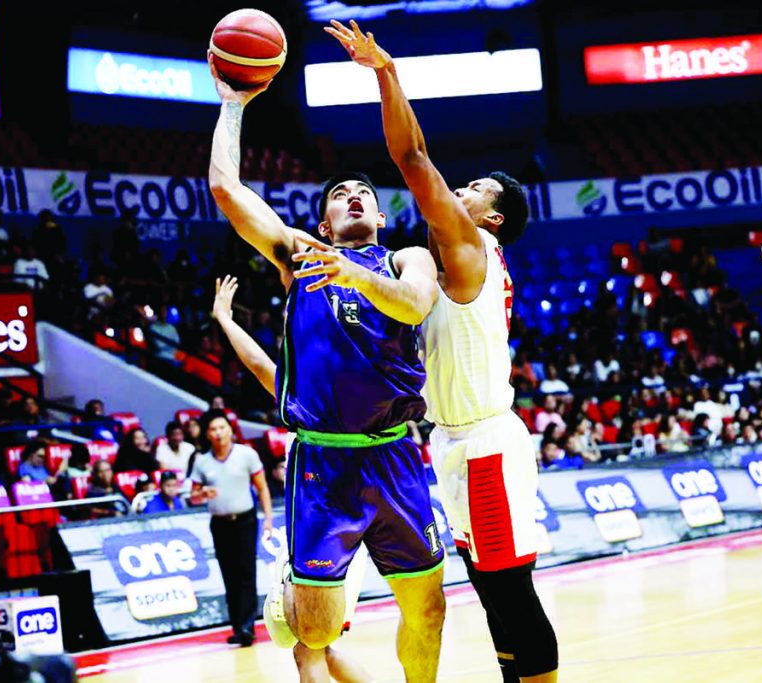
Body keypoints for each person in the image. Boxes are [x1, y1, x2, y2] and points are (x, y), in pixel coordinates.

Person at [326, 19, 558, 682]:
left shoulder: (472, 245)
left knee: (511, 589)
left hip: (485, 442)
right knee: (489, 593)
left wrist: (386, 72)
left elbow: (413, 160)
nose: (465, 188)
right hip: (450, 443)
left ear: (493, 217)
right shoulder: (445, 258)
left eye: (480, 187)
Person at [209, 58, 444, 682]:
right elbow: (227, 192)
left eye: (363, 192)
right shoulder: (303, 257)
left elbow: (417, 302)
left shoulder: (406, 257)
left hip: (395, 456)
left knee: (428, 608)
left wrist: (353, 273)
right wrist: (233, 103)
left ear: (382, 214)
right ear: (323, 224)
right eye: (339, 195)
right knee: (311, 631)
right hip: (321, 463)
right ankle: (293, 589)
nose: (353, 196)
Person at [212, 275, 372, 681]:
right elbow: (261, 364)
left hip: (329, 535)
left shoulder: (317, 398)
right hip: (337, 533)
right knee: (318, 647)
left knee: (309, 650)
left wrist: (226, 321)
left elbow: (258, 364)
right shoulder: (340, 395)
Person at [189, 410, 273, 647]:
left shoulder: (246, 454)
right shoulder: (202, 461)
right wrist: (202, 493)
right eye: (213, 429)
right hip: (220, 523)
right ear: (207, 434)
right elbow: (193, 497)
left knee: (246, 572)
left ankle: (248, 627)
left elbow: (262, 487)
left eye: (222, 427)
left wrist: (267, 519)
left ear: (230, 429)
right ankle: (237, 626)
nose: (218, 433)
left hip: (245, 520)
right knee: (229, 575)